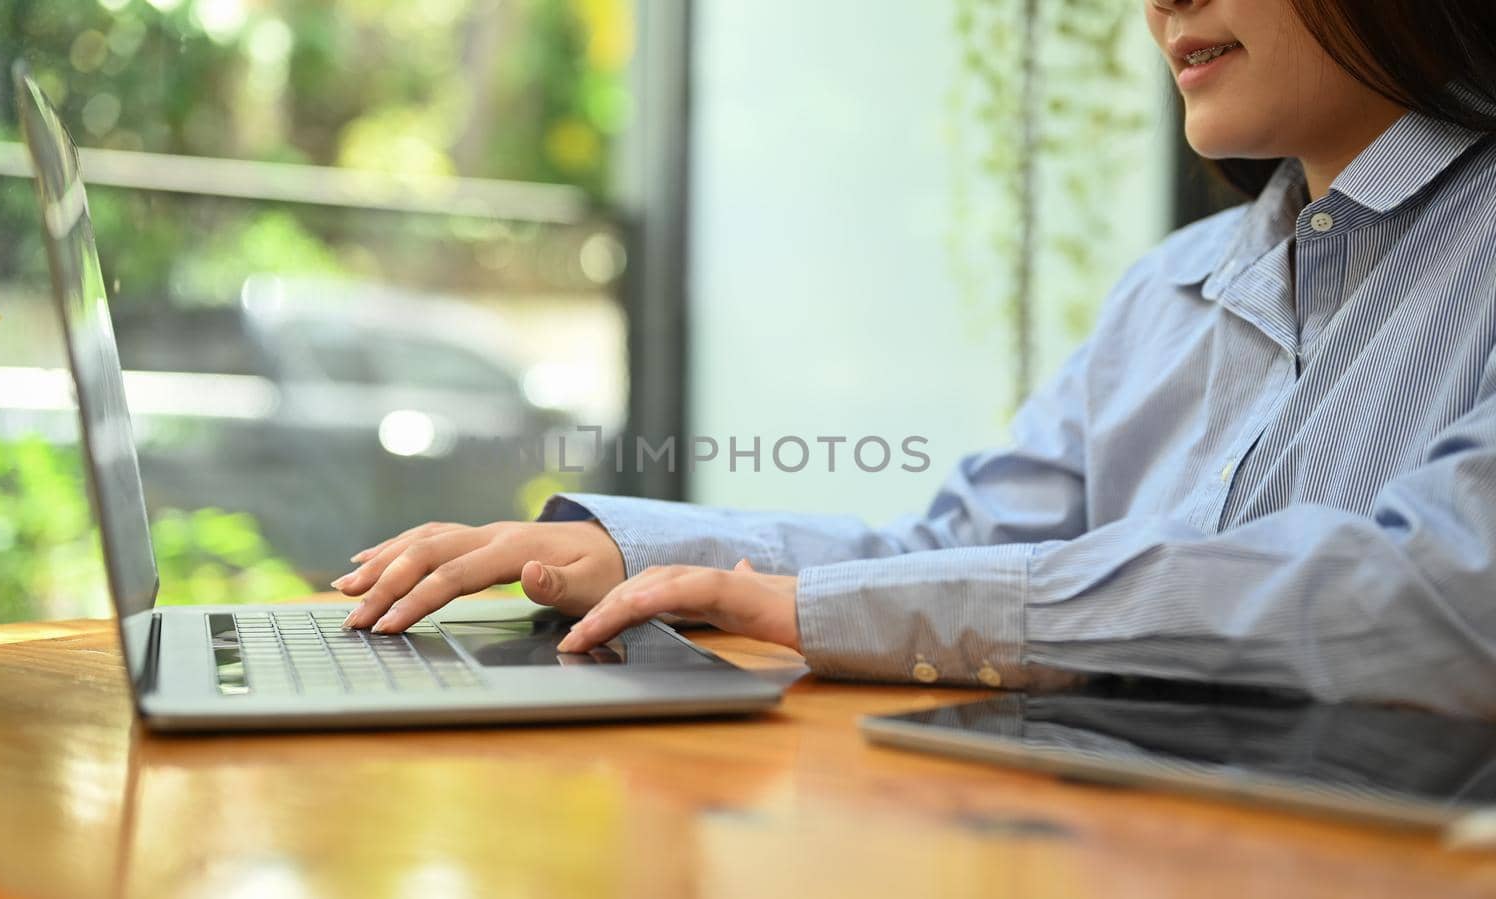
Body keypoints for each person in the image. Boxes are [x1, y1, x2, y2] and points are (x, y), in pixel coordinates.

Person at [335, 0, 1496, 716]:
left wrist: (815, 606)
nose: (1163, 1)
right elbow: (959, 552)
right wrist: (639, 554)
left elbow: (1441, 599)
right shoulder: (1172, 287)